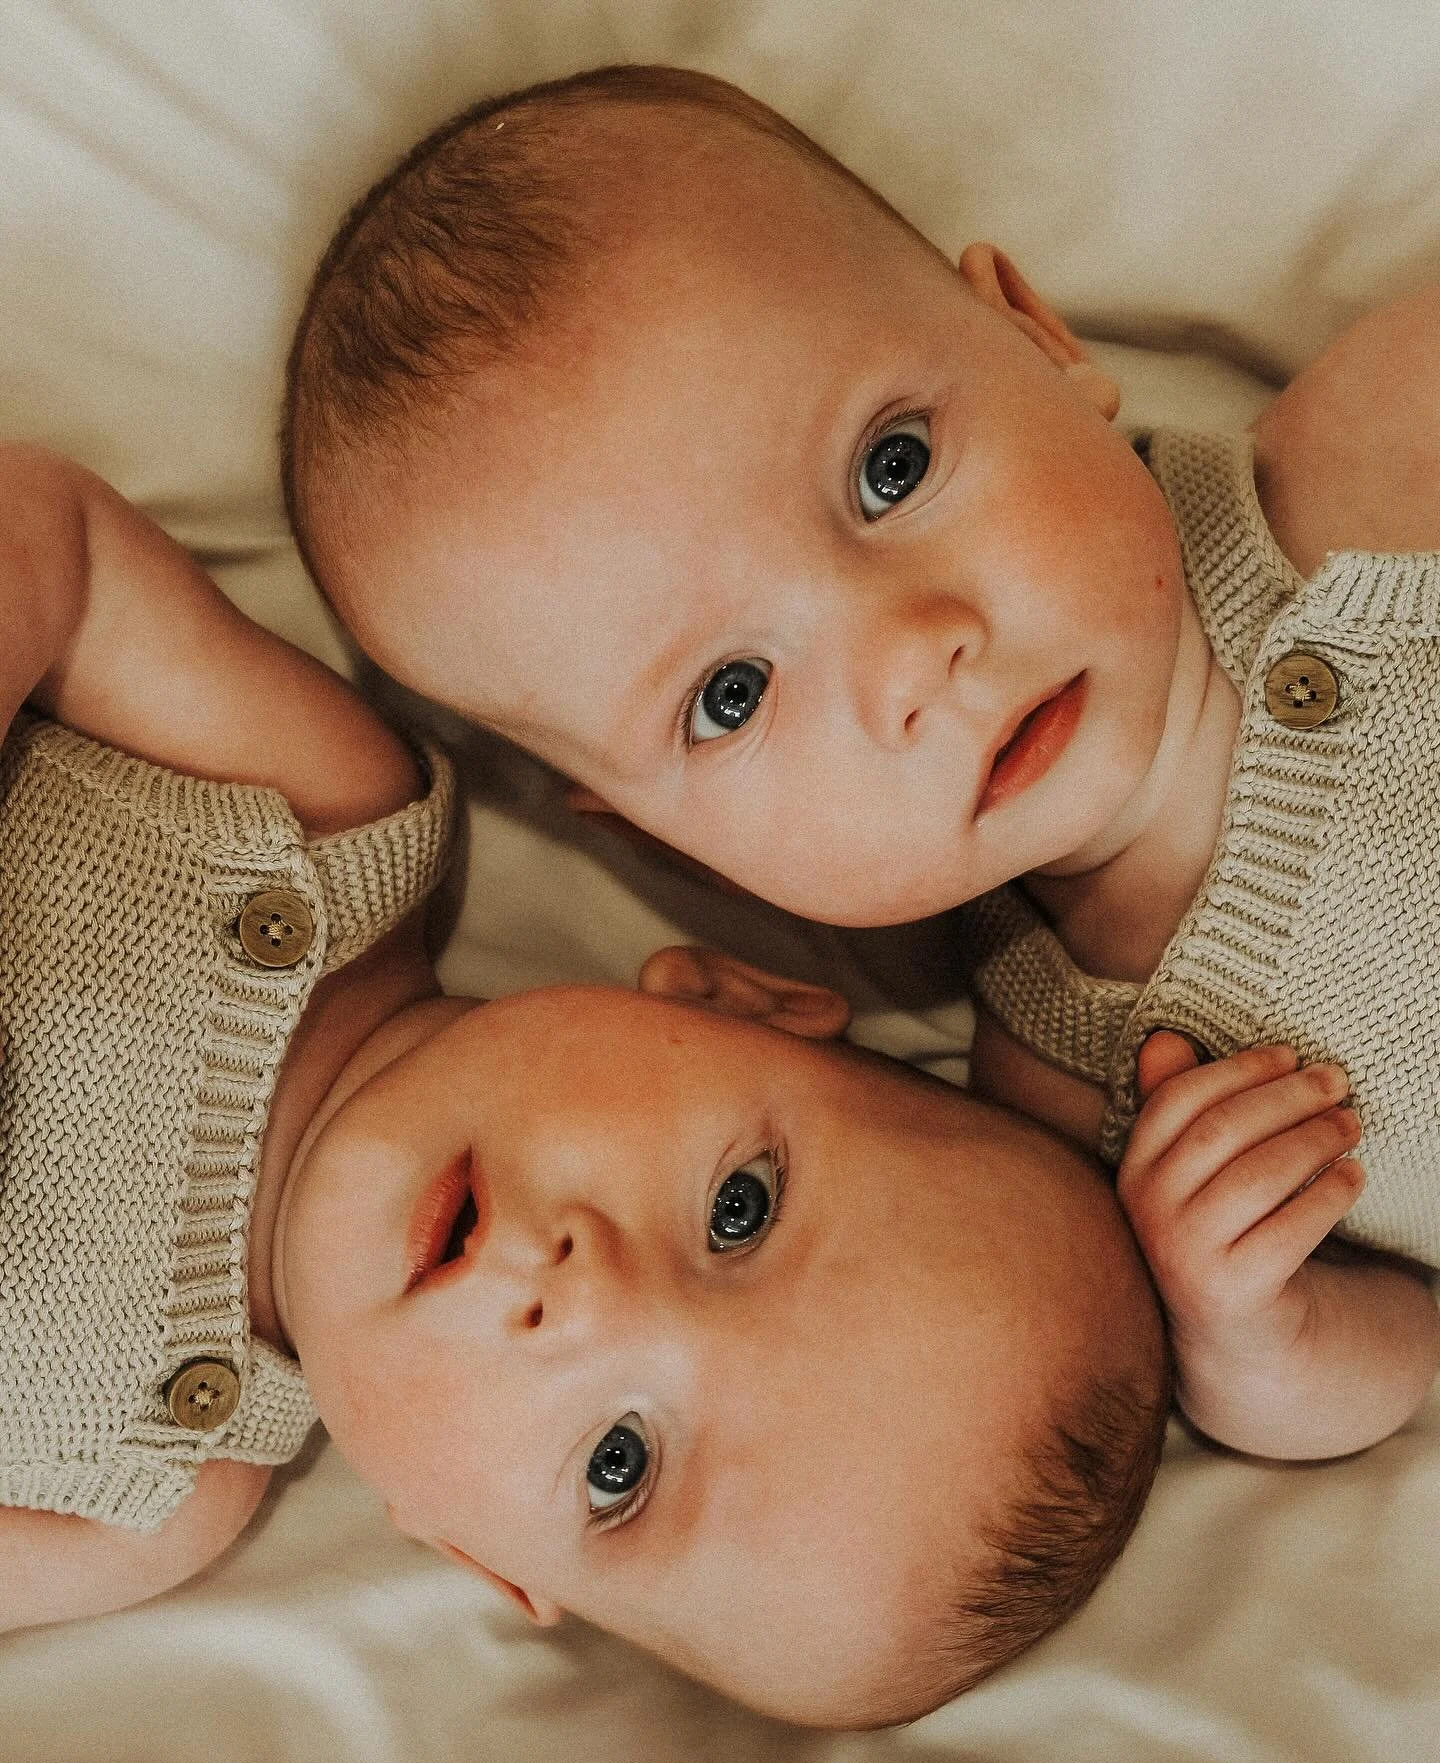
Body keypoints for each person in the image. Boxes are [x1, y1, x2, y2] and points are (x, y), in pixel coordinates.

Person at [280, 64, 1440, 1477]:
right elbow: (1399, 1357)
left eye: (891, 469)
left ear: (1036, 336)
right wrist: (1251, 1330)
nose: (912, 659)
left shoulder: (1373, 476)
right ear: (663, 844)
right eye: (732, 694)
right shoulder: (1072, 1096)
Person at [0, 446, 1168, 1727]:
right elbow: (43, 534)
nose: (593, 1295)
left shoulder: (146, 1501)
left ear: (468, 1546)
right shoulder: (318, 815)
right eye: (738, 1212)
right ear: (732, 1001)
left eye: (621, 1465)